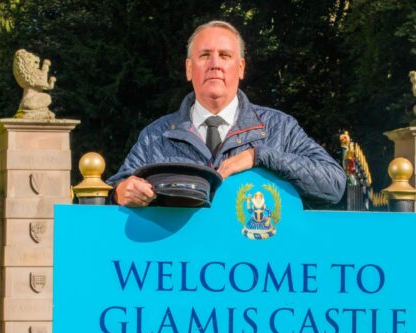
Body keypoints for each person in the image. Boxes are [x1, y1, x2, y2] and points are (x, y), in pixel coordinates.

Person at [107, 20, 345, 208]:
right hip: (182, 264)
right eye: (204, 55)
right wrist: (119, 192)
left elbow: (334, 185)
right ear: (189, 69)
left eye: (225, 55)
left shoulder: (279, 128)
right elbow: (111, 192)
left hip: (255, 264)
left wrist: (260, 156)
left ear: (240, 68)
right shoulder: (156, 135)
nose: (215, 64)